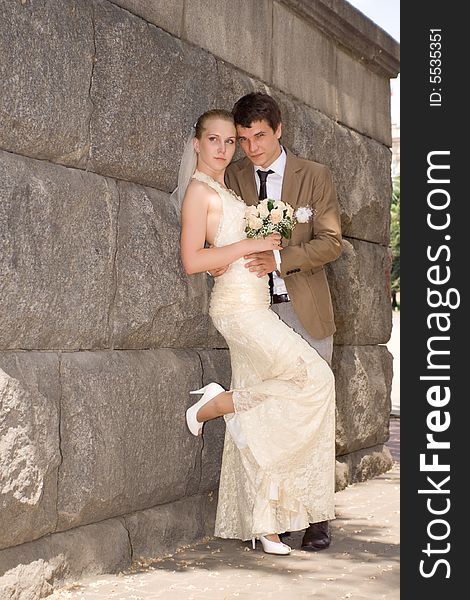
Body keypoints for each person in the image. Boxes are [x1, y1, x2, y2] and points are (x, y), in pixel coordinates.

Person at [179, 108, 336, 556]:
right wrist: (249, 245)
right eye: (219, 140)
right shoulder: (200, 190)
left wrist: (266, 251)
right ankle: (214, 404)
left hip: (265, 302)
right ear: (197, 143)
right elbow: (193, 260)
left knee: (264, 413)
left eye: (233, 141)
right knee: (312, 381)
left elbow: (330, 240)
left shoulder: (227, 184)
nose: (230, 149)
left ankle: (266, 524)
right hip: (242, 310)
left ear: (278, 131)